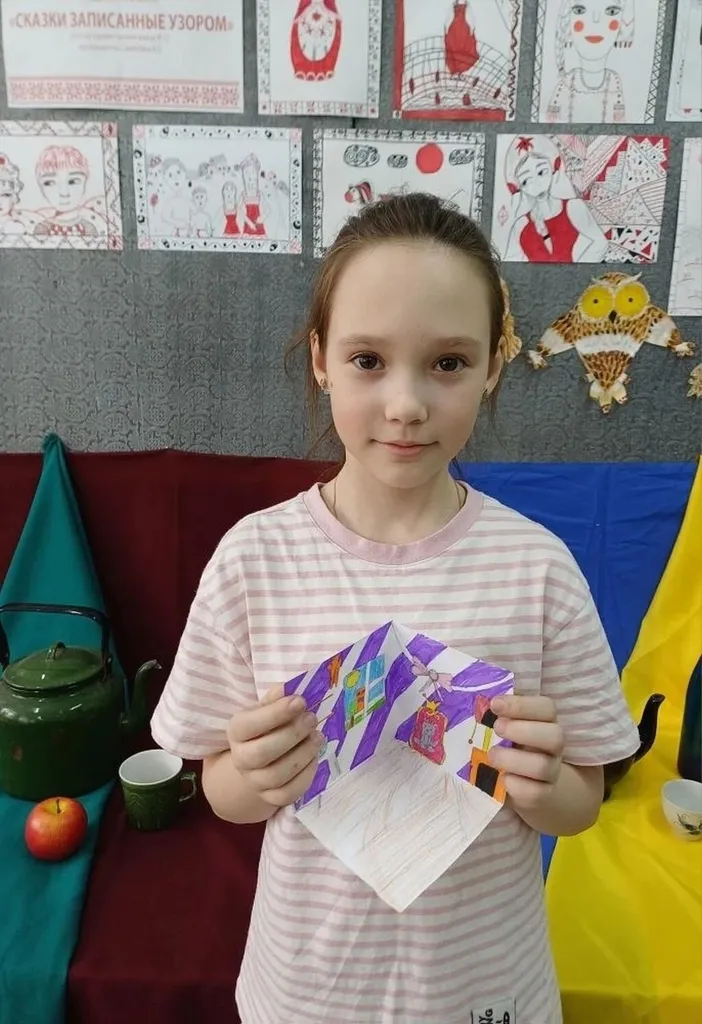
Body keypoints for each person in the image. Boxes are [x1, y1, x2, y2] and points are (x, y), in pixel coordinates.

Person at [151, 192, 640, 1023]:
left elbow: (583, 801)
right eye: (368, 359)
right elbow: (221, 788)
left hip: (487, 989)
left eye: (448, 362)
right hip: (305, 992)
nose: (406, 404)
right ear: (320, 359)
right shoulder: (253, 560)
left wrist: (545, 782)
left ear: (493, 365)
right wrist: (255, 774)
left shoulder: (538, 569)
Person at [503, 135, 608, 263]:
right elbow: (507, 262)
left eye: (541, 172)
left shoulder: (573, 207)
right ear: (517, 187)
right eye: (526, 181)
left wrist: (576, 269)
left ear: (554, 167)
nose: (537, 184)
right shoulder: (520, 225)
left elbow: (600, 243)